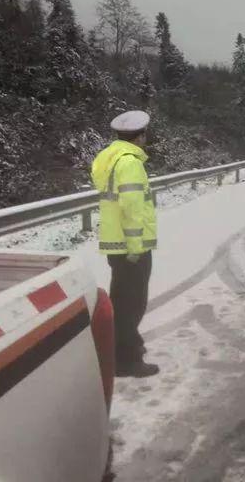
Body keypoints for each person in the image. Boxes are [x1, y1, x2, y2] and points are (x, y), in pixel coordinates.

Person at [91, 110, 159, 378]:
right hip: (131, 246)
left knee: (122, 300)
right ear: (140, 136)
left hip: (115, 243)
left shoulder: (109, 159)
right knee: (132, 304)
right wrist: (135, 247)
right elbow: (131, 207)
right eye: (145, 135)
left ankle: (124, 349)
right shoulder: (130, 163)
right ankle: (126, 361)